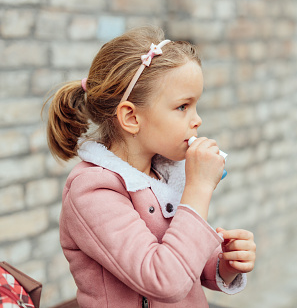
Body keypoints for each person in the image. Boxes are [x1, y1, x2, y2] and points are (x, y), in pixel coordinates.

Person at [45, 25, 256, 308]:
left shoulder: (163, 173)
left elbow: (184, 262)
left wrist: (223, 265)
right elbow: (164, 280)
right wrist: (199, 189)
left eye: (196, 106)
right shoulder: (92, 191)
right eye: (183, 107)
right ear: (131, 117)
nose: (197, 120)